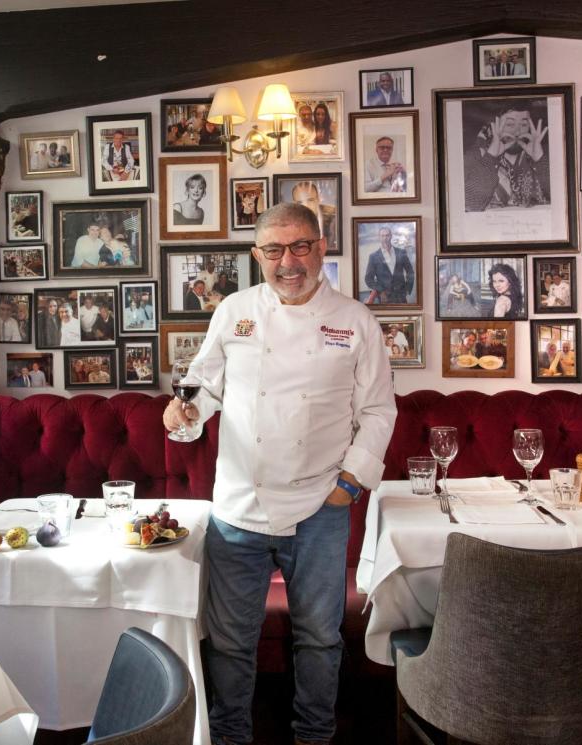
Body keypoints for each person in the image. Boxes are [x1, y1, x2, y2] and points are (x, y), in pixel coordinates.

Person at [162, 202, 395, 745]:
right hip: (240, 505)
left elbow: (380, 411)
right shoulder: (235, 310)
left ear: (321, 248)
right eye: (274, 250)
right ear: (256, 255)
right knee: (228, 641)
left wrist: (350, 483)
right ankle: (229, 739)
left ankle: (314, 737)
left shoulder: (356, 321)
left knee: (319, 638)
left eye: (300, 247)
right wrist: (185, 411)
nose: (288, 261)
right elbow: (203, 384)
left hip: (320, 505)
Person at [464, 107, 548, 211]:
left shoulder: (544, 155)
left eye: (524, 124)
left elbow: (562, 200)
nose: (517, 131)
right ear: (491, 127)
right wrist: (491, 157)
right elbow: (469, 206)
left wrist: (540, 159)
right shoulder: (475, 156)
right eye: (509, 124)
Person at [362, 227, 415, 305]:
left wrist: (407, 289)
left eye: (387, 235)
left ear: (391, 236)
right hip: (384, 298)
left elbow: (410, 272)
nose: (385, 238)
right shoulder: (373, 256)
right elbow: (368, 279)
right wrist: (381, 291)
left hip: (401, 297)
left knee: (404, 316)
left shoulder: (401, 252)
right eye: (382, 236)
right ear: (379, 238)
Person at [290, 180, 337, 251]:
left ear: (318, 199)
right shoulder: (288, 222)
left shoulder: (335, 216)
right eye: (300, 202)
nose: (306, 206)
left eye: (310, 200)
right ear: (294, 204)